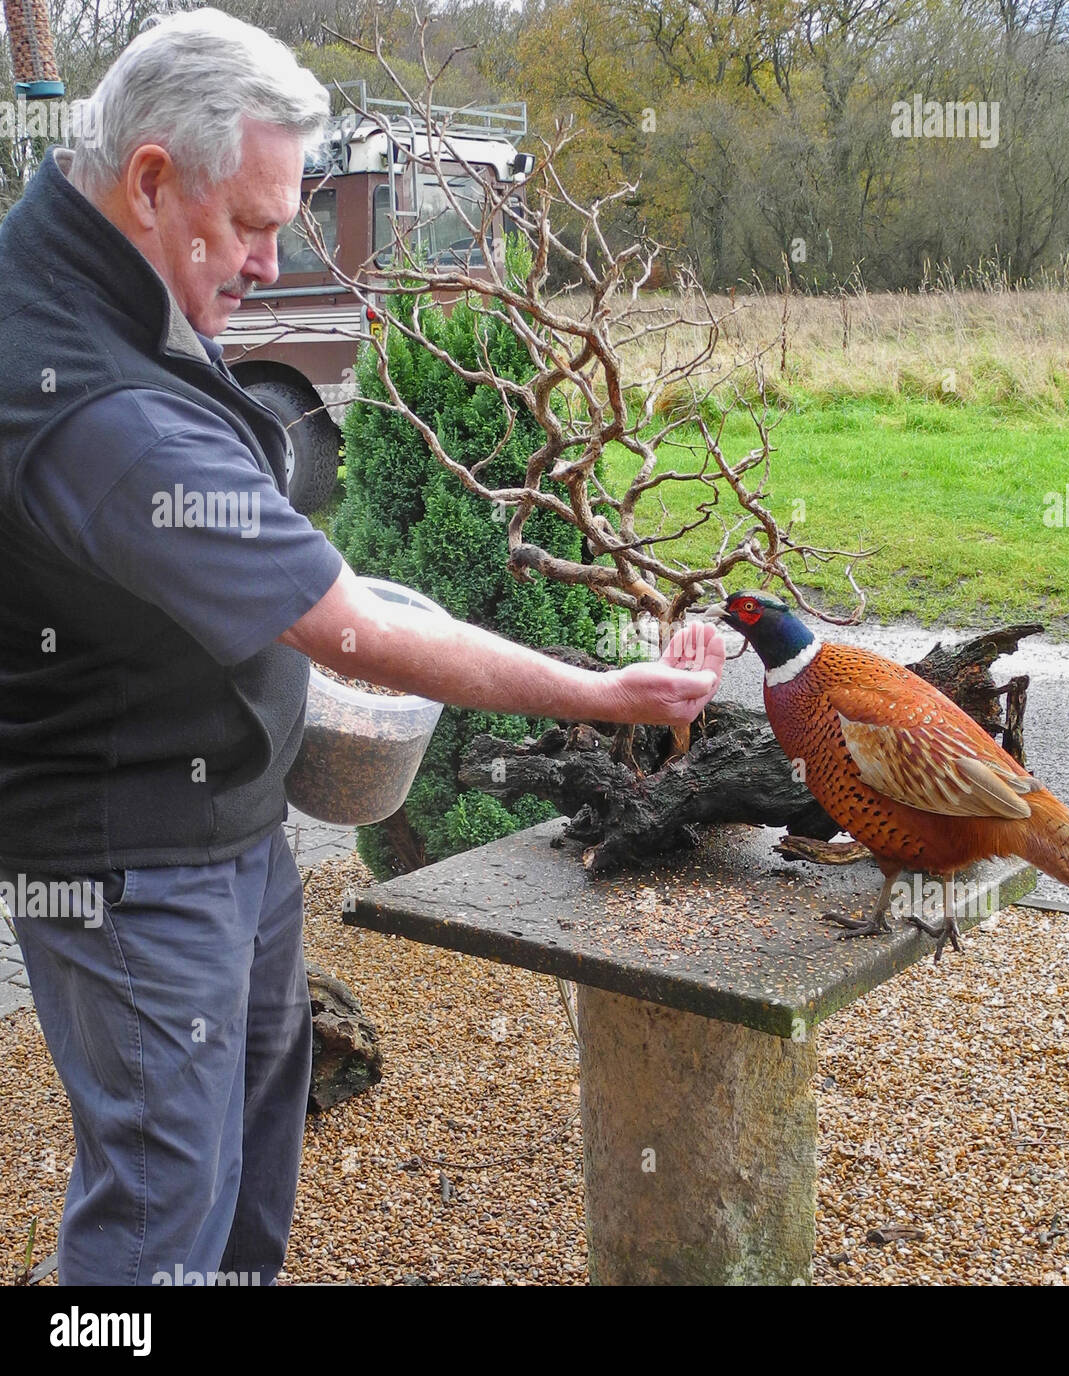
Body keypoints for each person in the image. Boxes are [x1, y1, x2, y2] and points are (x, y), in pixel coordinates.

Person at [0, 8, 723, 1287]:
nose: (275, 263)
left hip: (221, 810)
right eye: (257, 225)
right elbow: (356, 630)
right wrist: (598, 687)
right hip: (129, 857)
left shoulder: (88, 250)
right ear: (152, 178)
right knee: (160, 1200)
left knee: (254, 1129)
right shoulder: (96, 410)